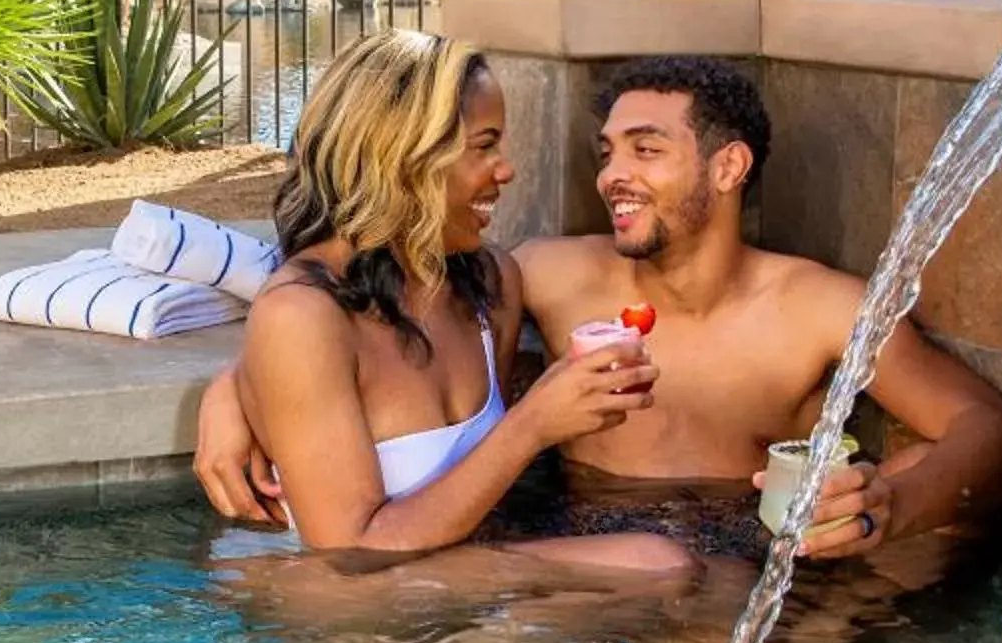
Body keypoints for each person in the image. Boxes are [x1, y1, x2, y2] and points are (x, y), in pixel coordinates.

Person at [201, 54, 1002, 565]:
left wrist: (893, 507)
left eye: (648, 150)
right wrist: (235, 390)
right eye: (608, 153)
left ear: (728, 167)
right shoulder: (545, 276)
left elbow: (985, 425)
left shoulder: (819, 309)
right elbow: (338, 320)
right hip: (579, 551)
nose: (612, 176)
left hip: (735, 551)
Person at [223, 30, 694, 576]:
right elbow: (349, 551)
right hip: (349, 604)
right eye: (484, 145)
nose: (506, 168)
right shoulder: (303, 315)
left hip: (448, 587)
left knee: (708, 570)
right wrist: (532, 424)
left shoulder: (491, 285)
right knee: (659, 566)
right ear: (403, 156)